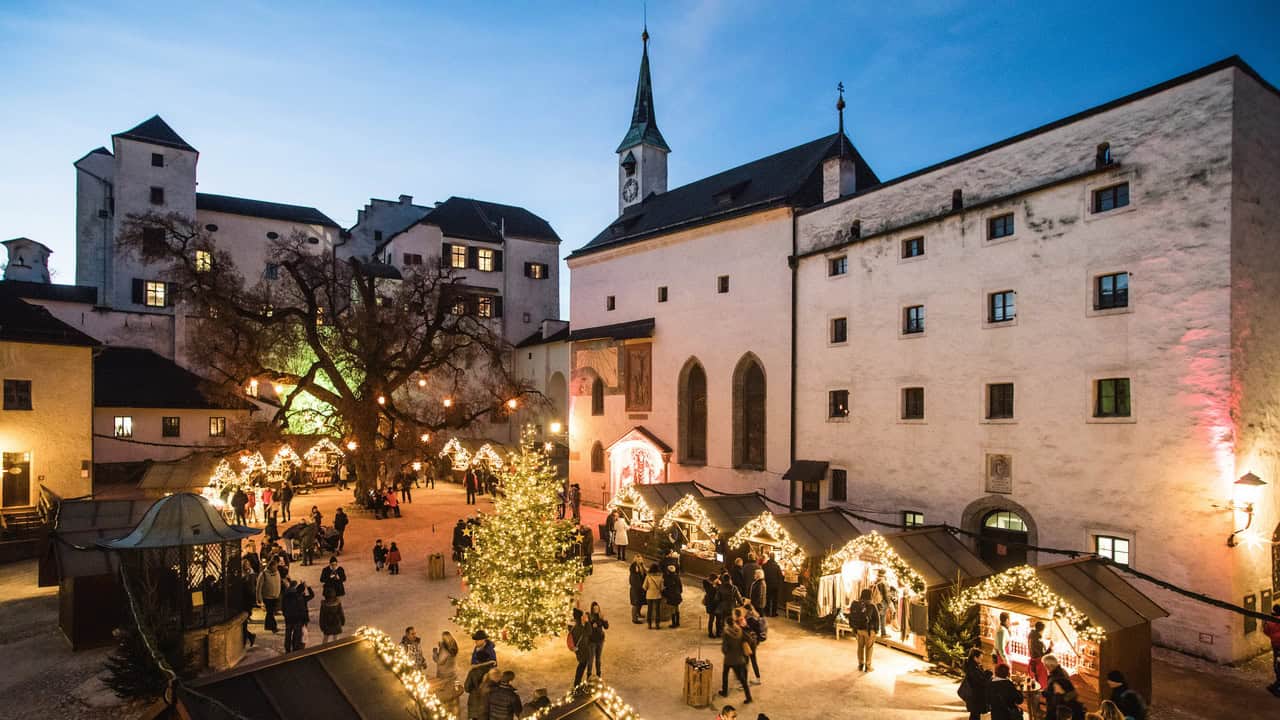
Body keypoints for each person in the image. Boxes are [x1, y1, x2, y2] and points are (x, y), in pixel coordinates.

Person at [718, 608, 755, 705]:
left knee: (725, 674)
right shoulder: (739, 630)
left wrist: (726, 652)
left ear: (727, 623)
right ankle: (748, 697)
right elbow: (749, 639)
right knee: (742, 679)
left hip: (729, 659)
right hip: (740, 658)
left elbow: (724, 648)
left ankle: (725, 691)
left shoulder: (726, 633)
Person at [849, 587, 881, 672]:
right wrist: (876, 630)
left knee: (860, 647)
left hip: (859, 630)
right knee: (869, 648)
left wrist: (854, 628)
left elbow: (851, 616)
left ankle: (860, 664)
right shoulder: (872, 605)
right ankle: (868, 666)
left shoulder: (857, 604)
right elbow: (877, 619)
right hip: (869, 631)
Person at [1044, 654, 1085, 720]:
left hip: (1059, 711)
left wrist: (1046, 694)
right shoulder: (1062, 671)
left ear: (1049, 666)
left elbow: (1056, 699)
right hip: (1066, 708)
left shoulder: (1056, 679)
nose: (1045, 668)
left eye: (1045, 666)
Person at [433, 631, 462, 718]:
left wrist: (435, 652)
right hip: (454, 673)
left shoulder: (445, 650)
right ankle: (456, 710)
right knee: (455, 691)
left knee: (446, 694)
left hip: (445, 675)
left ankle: (447, 712)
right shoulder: (454, 646)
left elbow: (439, 661)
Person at [281, 578, 314, 652]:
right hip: (297, 619)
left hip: (288, 618)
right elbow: (312, 595)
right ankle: (295, 649)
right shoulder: (301, 598)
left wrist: (285, 614)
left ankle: (287, 649)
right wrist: (307, 586)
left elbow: (283, 607)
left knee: (288, 634)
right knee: (296, 635)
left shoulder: (286, 596)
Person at [962, 647, 991, 720]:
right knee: (975, 715)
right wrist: (987, 674)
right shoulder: (972, 668)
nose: (981, 661)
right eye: (980, 659)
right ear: (975, 657)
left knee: (975, 715)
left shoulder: (974, 666)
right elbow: (980, 681)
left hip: (975, 696)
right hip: (974, 696)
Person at [256, 556, 282, 633]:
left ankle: (267, 626)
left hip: (275, 596)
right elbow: (258, 588)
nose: (276, 568)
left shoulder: (277, 572)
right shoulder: (263, 574)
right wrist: (260, 600)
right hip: (267, 597)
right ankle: (274, 627)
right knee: (270, 613)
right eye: (274, 567)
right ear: (270, 567)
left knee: (270, 612)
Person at [570, 611, 594, 686]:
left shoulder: (575, 627)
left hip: (579, 650)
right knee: (581, 666)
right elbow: (589, 632)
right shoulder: (580, 627)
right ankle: (577, 682)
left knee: (581, 665)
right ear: (580, 617)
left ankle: (577, 682)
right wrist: (587, 622)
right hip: (583, 650)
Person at [1027, 620, 1052, 691]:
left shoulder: (1031, 636)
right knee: (1040, 684)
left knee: (1034, 682)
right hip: (1038, 665)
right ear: (1042, 630)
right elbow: (1042, 656)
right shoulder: (1038, 641)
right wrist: (1050, 648)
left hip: (1032, 662)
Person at [716, 572, 743, 636]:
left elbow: (717, 598)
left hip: (723, 607)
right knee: (732, 621)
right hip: (732, 607)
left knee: (722, 620)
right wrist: (741, 603)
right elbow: (738, 597)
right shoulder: (734, 588)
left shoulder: (720, 587)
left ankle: (721, 633)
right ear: (730, 579)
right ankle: (730, 633)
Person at [644, 563, 665, 629]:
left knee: (649, 610)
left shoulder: (648, 577)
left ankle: (649, 624)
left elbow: (644, 586)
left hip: (649, 595)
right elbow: (662, 588)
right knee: (657, 610)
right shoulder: (660, 577)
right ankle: (657, 624)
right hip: (657, 595)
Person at [662, 563, 683, 628]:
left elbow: (666, 587)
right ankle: (677, 622)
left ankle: (674, 623)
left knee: (673, 610)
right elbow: (680, 587)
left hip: (671, 596)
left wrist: (664, 593)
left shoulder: (668, 578)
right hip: (677, 595)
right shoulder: (677, 577)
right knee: (676, 609)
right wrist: (679, 592)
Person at [873, 569, 892, 638]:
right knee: (882, 617)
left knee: (877, 616)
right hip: (883, 602)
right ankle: (883, 633)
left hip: (876, 601)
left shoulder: (875, 581)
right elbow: (886, 595)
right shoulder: (884, 582)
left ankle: (875, 631)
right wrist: (889, 603)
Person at [1267, 603, 1280, 698]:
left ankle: (1277, 685)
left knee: (1277, 664)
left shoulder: (1270, 621)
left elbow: (1266, 631)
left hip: (1276, 645)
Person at [628, 556, 647, 624]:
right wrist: (638, 587)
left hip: (641, 588)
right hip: (636, 589)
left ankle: (638, 613)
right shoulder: (634, 569)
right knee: (635, 603)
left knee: (640, 602)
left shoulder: (642, 567)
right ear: (635, 560)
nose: (640, 560)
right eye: (639, 559)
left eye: (641, 559)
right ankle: (634, 619)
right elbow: (633, 580)